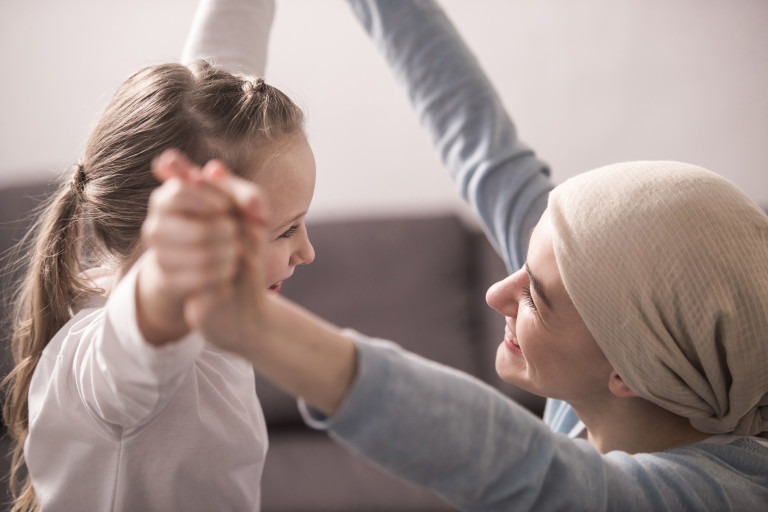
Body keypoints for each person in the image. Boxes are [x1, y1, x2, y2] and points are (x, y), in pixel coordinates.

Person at [172, 0, 768, 510]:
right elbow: (478, 139)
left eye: (535, 295)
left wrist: (255, 324)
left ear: (627, 373)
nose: (496, 293)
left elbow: (516, 464)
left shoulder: (711, 495)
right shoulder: (623, 388)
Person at [0, 1, 316, 509]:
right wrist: (168, 275)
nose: (307, 251)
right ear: (175, 237)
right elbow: (139, 337)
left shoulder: (211, 306)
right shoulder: (104, 362)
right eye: (285, 232)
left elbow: (221, 69)